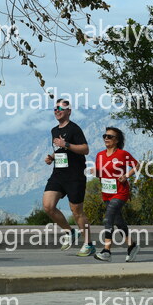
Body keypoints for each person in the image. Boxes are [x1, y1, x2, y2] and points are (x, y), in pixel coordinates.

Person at [43, 99, 95, 256]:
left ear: (69, 111)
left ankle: (88, 244)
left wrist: (66, 144)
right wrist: (51, 157)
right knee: (48, 206)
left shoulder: (74, 129)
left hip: (74, 176)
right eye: (55, 108)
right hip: (58, 174)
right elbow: (59, 150)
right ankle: (70, 231)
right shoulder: (54, 130)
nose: (57, 111)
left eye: (61, 108)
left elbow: (85, 149)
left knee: (77, 211)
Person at [93, 127, 141, 262]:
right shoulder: (100, 155)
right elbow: (99, 172)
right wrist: (94, 172)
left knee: (108, 218)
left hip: (120, 192)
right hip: (107, 193)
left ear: (116, 140)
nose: (106, 138)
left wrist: (126, 176)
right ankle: (132, 245)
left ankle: (107, 250)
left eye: (110, 136)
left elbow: (137, 165)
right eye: (105, 136)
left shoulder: (122, 154)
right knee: (118, 221)